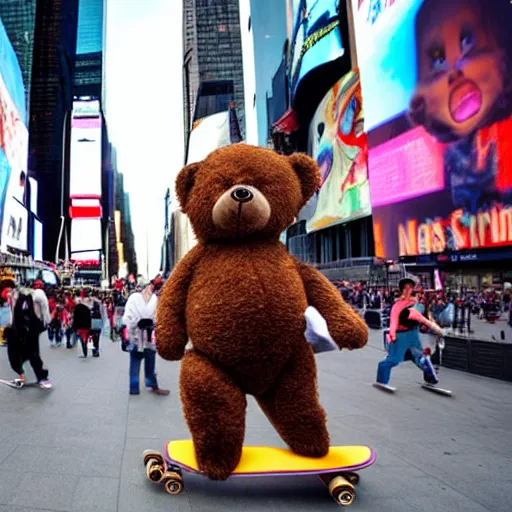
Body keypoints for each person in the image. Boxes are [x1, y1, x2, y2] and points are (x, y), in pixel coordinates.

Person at [375, 278, 445, 389]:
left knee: (421, 357)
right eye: (405, 287)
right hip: (400, 335)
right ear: (402, 290)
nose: (408, 290)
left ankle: (431, 379)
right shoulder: (397, 305)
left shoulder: (417, 304)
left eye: (410, 287)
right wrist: (392, 335)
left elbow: (424, 319)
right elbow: (393, 320)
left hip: (413, 334)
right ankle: (381, 380)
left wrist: (436, 329)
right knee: (394, 359)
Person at [122, 279, 169, 396]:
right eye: (149, 285)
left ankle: (152, 385)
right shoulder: (134, 298)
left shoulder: (155, 299)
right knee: (135, 362)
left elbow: (159, 316)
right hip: (136, 335)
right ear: (144, 287)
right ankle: (134, 388)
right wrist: (137, 322)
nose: (151, 288)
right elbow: (127, 316)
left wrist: (154, 324)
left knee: (150, 361)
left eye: (152, 286)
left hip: (149, 335)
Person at [5, 282, 52, 389]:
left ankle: (34, 376)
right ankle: (36, 377)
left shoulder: (29, 297)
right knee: (27, 354)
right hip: (24, 330)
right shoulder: (20, 298)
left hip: (27, 330)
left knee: (29, 354)